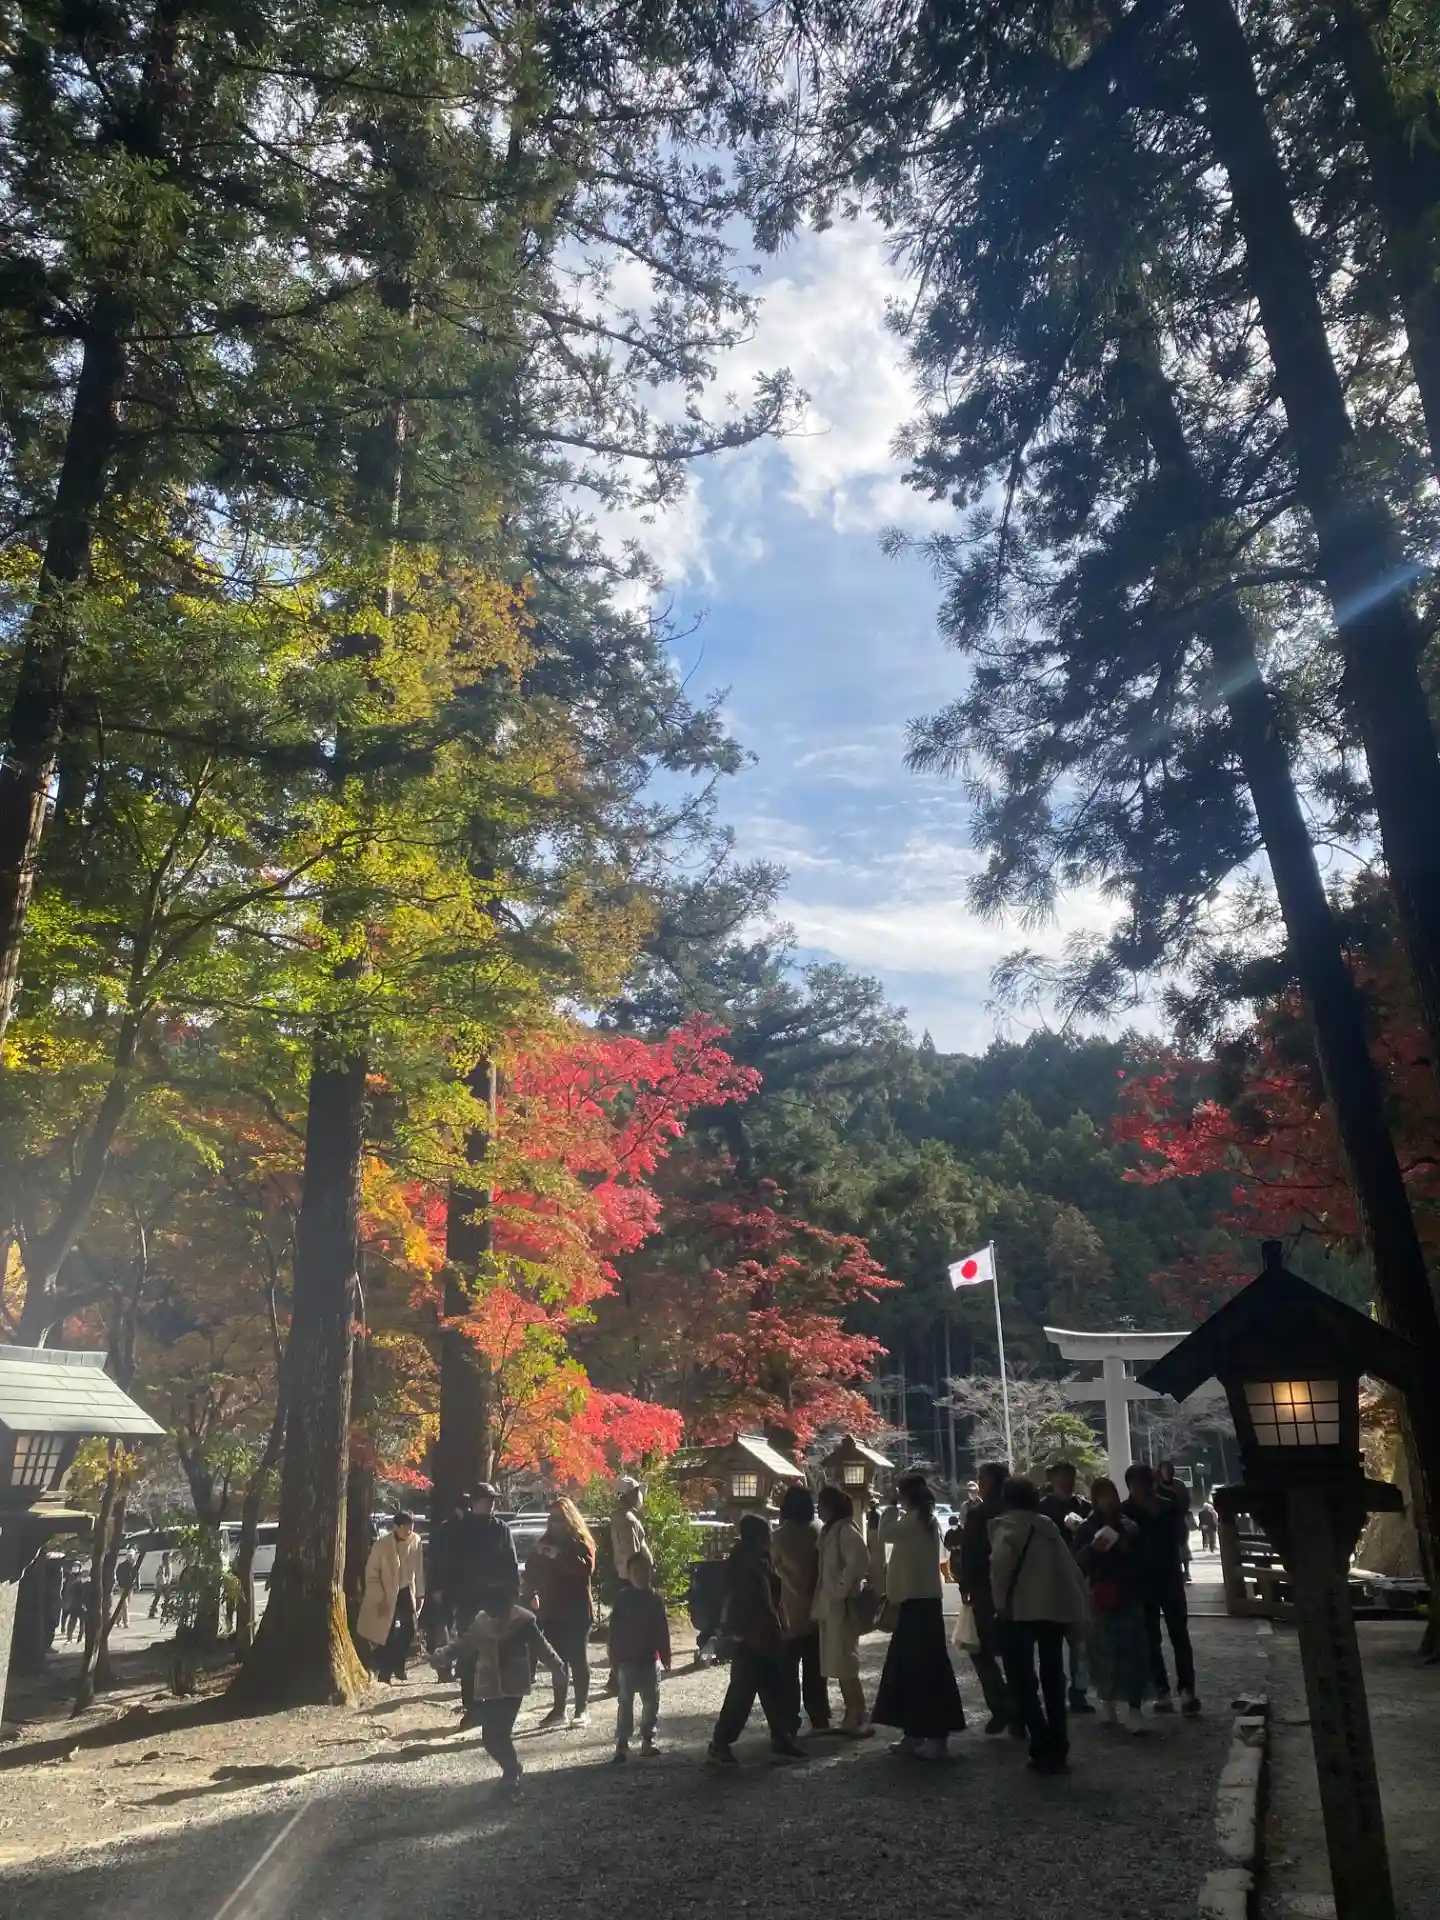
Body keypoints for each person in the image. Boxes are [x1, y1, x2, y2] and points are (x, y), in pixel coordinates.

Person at [988, 1475, 1091, 1774]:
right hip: (1051, 1609)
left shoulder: (1006, 1528)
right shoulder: (1047, 1527)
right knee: (1053, 1678)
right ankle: (1059, 1743)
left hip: (1018, 1612)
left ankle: (1040, 1740)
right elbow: (1069, 1568)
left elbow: (999, 1570)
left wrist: (1000, 1605)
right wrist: (1079, 1605)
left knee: (1022, 1681)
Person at [872, 1472, 965, 1760]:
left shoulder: (912, 1521)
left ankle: (931, 1736)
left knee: (919, 1670)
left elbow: (884, 1534)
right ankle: (917, 1733)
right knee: (918, 1668)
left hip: (915, 1604)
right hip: (923, 1602)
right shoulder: (925, 1519)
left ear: (905, 1495)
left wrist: (889, 1506)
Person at [706, 1513, 807, 1765]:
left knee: (771, 1689)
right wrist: (778, 1629)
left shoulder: (751, 1560)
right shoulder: (749, 1566)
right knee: (744, 1693)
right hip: (753, 1638)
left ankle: (780, 1736)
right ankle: (720, 1742)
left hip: (756, 1636)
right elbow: (761, 1604)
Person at [455, 1579, 565, 1794]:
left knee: (501, 1732)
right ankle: (511, 1769)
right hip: (490, 1686)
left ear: (510, 1606)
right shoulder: (482, 1623)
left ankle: (512, 1775)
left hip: (513, 1685)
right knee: (489, 1737)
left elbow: (542, 1647)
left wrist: (557, 1668)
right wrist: (441, 1656)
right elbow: (464, 1644)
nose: (496, 1616)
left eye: (499, 1610)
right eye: (492, 1611)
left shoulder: (523, 1623)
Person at [1074, 1478, 1151, 1733]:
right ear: (1095, 1500)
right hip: (1100, 1594)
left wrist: (1129, 1546)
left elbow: (1144, 1559)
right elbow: (1078, 1560)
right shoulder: (1087, 1528)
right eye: (1102, 1496)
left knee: (1132, 1652)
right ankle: (1107, 1700)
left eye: (1111, 1495)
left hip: (1129, 1594)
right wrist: (1093, 1549)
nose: (1108, 1501)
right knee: (1102, 1651)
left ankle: (1135, 1708)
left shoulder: (1129, 1525)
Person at [1124, 1463, 1201, 1715]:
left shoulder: (1169, 1506)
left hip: (1169, 1578)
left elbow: (1181, 1537)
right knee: (1150, 1639)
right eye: (1137, 1486)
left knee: (1179, 1635)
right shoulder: (1125, 1512)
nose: (1142, 1490)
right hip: (1142, 1582)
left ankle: (1187, 1690)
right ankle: (1162, 1691)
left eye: (1145, 1484)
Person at [431, 1486, 519, 1694]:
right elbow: (444, 1561)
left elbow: (510, 1562)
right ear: (475, 1502)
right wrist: (441, 1589)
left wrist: (513, 1591)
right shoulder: (457, 1529)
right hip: (467, 1598)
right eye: (486, 1500)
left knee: (494, 1647)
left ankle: (491, 1694)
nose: (490, 1505)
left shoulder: (501, 1529)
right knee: (469, 1648)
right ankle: (469, 1698)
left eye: (492, 1501)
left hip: (496, 1598)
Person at [956, 1461, 1019, 1736]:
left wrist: (965, 1585)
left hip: (985, 1589)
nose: (979, 1484)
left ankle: (1001, 1705)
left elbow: (970, 1553)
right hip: (1017, 1588)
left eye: (982, 1479)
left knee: (981, 1651)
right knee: (1016, 1653)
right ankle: (1022, 1709)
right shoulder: (1017, 1512)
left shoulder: (979, 1514)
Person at [524, 1496, 596, 1728]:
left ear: (569, 1518)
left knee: (578, 1659)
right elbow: (531, 1571)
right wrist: (532, 1592)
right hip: (552, 1610)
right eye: (552, 1518)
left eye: (560, 1518)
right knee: (557, 1662)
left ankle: (582, 1709)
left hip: (577, 1610)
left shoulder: (581, 1542)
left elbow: (586, 1568)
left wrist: (558, 1555)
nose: (555, 1523)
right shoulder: (544, 1542)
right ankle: (559, 1710)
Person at [771, 1483, 831, 1737]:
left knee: (788, 1672)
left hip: (791, 1612)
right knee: (815, 1670)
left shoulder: (779, 1537)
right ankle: (819, 1716)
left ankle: (789, 1720)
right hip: (819, 1610)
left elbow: (774, 1570)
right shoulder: (820, 1530)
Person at [814, 1483, 872, 1736]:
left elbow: (859, 1561)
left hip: (842, 1603)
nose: (819, 1509)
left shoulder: (846, 1530)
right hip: (832, 1604)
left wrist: (840, 1587)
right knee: (839, 1661)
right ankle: (853, 1712)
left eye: (822, 1505)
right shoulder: (831, 1531)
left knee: (846, 1661)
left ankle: (859, 1713)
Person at [1038, 1459, 1094, 1714]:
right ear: (1052, 1480)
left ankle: (1078, 1693)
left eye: (1070, 1477)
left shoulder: (1084, 1507)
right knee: (1051, 1644)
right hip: (1051, 1579)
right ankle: (1056, 1692)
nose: (1067, 1482)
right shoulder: (1042, 1508)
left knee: (1080, 1643)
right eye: (1062, 1477)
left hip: (1079, 1578)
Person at [609, 1551, 671, 1761]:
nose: (641, 1576)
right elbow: (614, 1631)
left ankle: (647, 1739)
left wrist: (666, 1656)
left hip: (649, 1659)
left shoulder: (655, 1599)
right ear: (628, 1574)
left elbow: (662, 1629)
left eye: (645, 1571)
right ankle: (622, 1743)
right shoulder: (622, 1599)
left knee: (651, 1702)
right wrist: (614, 1658)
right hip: (627, 1661)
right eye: (636, 1572)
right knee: (625, 1703)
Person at [357, 1511, 424, 1682]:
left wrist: (420, 1593)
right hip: (386, 1591)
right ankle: (385, 1673)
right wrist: (379, 1596)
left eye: (411, 1527)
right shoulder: (382, 1545)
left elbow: (418, 1569)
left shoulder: (415, 1541)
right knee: (387, 1632)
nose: (409, 1531)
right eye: (406, 1527)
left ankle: (398, 1662)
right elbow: (372, 1573)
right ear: (397, 1527)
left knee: (410, 1628)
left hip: (406, 1589)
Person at [604, 1477, 647, 1696]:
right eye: (635, 1492)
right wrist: (639, 1581)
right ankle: (620, 1678)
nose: (638, 1496)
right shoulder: (627, 1520)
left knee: (624, 1629)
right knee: (631, 1631)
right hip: (632, 1581)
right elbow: (633, 1555)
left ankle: (619, 1677)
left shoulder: (620, 1517)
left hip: (626, 1580)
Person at [1157, 1460, 1195, 1582]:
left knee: (1183, 1546)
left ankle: (1186, 1571)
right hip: (1163, 1521)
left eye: (1169, 1469)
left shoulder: (1179, 1485)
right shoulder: (1156, 1485)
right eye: (1165, 1470)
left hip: (1178, 1519)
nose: (1167, 1472)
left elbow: (1186, 1502)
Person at [149, 1551, 173, 1621]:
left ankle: (160, 1612)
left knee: (161, 1598)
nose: (170, 1558)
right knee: (164, 1598)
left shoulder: (168, 1565)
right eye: (169, 1557)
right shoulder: (163, 1566)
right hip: (162, 1585)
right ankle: (158, 1612)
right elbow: (161, 1576)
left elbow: (168, 1575)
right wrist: (166, 1581)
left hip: (164, 1584)